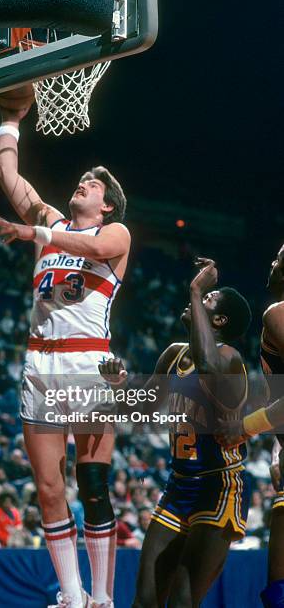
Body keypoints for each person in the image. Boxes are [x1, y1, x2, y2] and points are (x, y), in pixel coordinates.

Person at [0, 84, 130, 608]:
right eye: (83, 179)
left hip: (89, 362)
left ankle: (103, 597)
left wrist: (36, 236)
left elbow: (92, 247)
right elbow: (9, 176)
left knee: (92, 484)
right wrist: (10, 121)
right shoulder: (50, 223)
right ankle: (71, 597)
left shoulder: (117, 234)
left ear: (107, 202)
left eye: (93, 184)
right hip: (40, 363)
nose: (84, 183)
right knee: (49, 489)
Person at [101, 258, 252, 608]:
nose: (195, 301)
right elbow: (142, 408)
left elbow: (208, 365)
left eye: (209, 300)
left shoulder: (229, 359)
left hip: (218, 487)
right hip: (179, 484)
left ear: (219, 320)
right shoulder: (173, 355)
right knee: (145, 600)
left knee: (183, 601)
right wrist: (119, 385)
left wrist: (197, 289)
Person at [216, 244, 284, 608]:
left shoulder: (278, 311)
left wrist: (246, 427)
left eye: (279, 258)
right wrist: (276, 446)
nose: (272, 263)